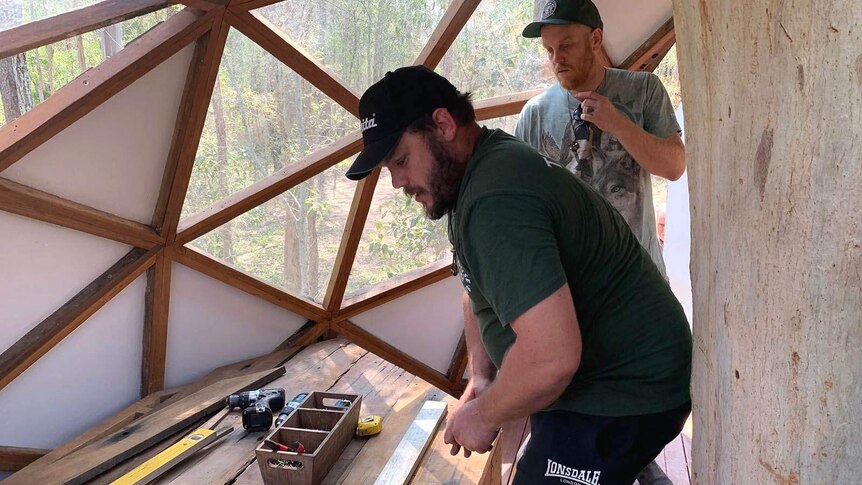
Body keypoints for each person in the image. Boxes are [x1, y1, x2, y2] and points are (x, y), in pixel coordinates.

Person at [344, 65, 691, 485]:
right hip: (598, 378)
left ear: (443, 124)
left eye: (401, 160)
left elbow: (553, 357)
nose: (399, 182)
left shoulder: (497, 198)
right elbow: (475, 287)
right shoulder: (476, 175)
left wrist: (484, 414)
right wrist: (484, 374)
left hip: (627, 389)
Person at [514, 0, 685, 277]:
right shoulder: (534, 115)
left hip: (639, 277)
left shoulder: (643, 89)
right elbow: (522, 203)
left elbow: (674, 167)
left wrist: (617, 123)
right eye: (549, 50)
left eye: (566, 46)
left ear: (595, 39)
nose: (557, 59)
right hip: (576, 282)